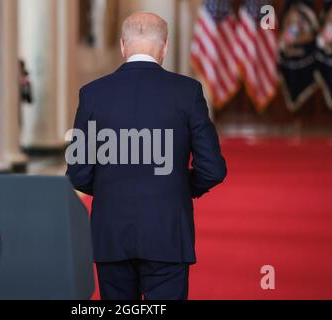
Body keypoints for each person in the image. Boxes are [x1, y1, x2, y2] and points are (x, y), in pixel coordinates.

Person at [66, 12, 227, 300]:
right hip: (167, 233)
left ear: (122, 46)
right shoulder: (188, 92)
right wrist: (180, 186)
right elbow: (212, 168)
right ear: (164, 47)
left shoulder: (92, 94)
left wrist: (109, 186)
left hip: (112, 235)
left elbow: (78, 173)